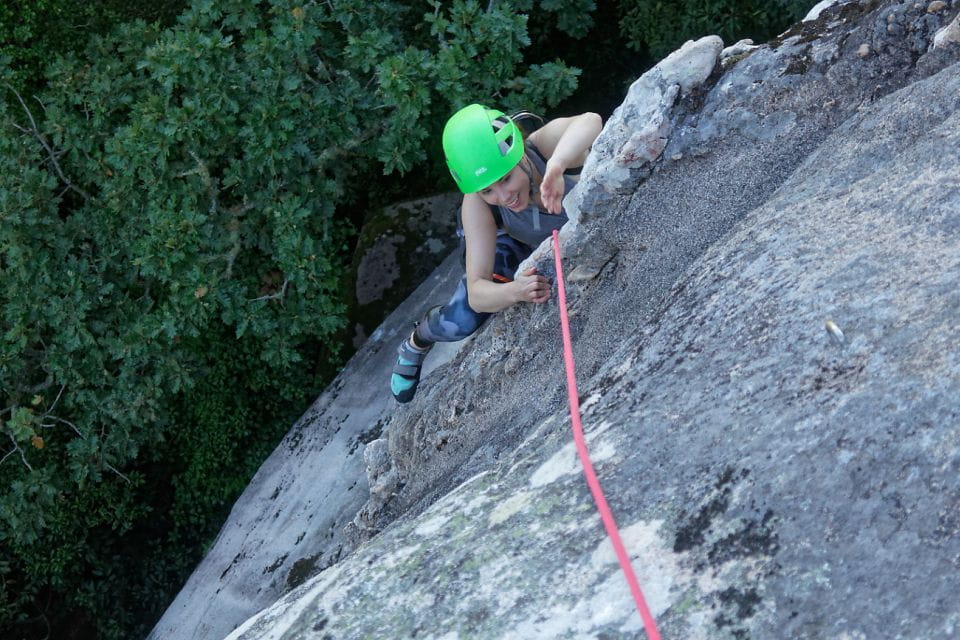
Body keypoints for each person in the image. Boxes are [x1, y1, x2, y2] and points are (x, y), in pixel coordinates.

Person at [390, 103, 602, 403]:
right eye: (488, 190)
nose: (504, 196)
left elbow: (590, 120)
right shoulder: (479, 205)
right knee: (463, 318)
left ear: (518, 157)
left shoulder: (538, 149)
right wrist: (517, 291)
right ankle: (418, 340)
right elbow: (478, 292)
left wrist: (557, 165)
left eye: (505, 178)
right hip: (511, 238)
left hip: (542, 223)